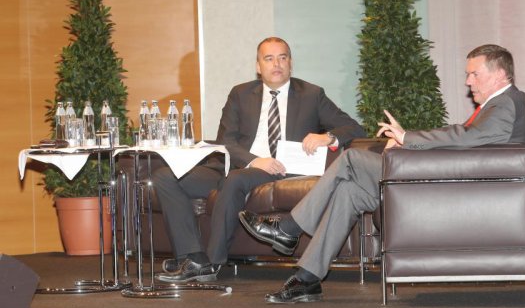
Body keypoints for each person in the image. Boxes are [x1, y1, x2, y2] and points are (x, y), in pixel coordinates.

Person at [239, 44, 525, 303]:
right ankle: (308, 279)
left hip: (447, 188)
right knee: (349, 192)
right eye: (468, 75)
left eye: (474, 74)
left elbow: (467, 138)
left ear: (499, 74)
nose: (468, 81)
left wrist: (408, 138)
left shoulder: (507, 102)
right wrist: (407, 143)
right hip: (443, 181)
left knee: (351, 158)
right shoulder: (497, 105)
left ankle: (289, 228)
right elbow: (464, 138)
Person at [154, 36, 366, 283]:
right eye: (269, 58)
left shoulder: (311, 95)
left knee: (235, 180)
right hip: (236, 165)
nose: (276, 64)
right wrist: (254, 160)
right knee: (165, 176)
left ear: (290, 63)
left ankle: (212, 264)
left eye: (282, 58)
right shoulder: (240, 94)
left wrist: (327, 137)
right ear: (258, 66)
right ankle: (192, 257)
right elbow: (226, 141)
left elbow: (354, 128)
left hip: (278, 169)